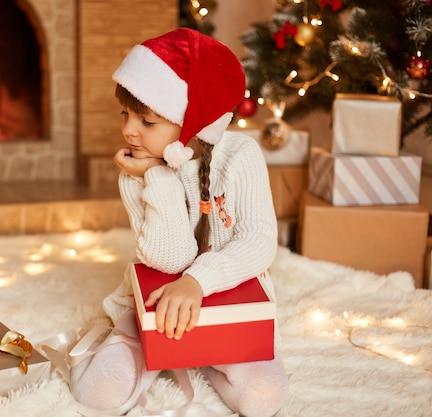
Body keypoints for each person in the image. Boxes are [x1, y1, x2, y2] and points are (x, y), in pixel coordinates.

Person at [69, 27, 288, 417]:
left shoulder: (240, 155)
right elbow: (169, 260)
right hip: (156, 302)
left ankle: (205, 355)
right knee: (97, 394)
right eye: (126, 115)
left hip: (225, 296)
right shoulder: (137, 171)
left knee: (263, 400)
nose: (127, 130)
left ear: (194, 121)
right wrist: (157, 178)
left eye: (147, 121)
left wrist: (198, 281)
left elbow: (258, 242)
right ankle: (165, 349)